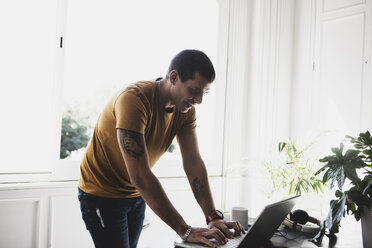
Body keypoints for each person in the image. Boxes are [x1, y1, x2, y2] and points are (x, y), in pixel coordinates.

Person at [78, 49, 245, 248]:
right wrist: (185, 229)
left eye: (204, 92)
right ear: (174, 77)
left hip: (134, 195)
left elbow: (193, 162)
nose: (199, 100)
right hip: (101, 194)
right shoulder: (133, 100)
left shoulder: (185, 110)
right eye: (194, 91)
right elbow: (139, 175)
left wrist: (212, 216)